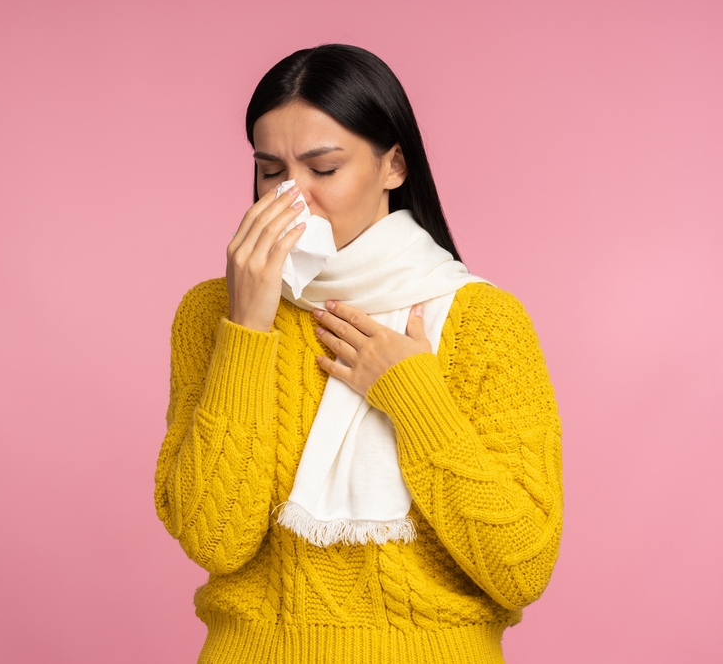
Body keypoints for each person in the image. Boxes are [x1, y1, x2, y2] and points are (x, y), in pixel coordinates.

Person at [154, 43, 563, 664]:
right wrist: (247, 328)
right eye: (271, 170)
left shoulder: (483, 322)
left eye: (323, 169)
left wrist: (414, 396)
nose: (292, 197)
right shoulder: (215, 312)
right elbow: (214, 539)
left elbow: (521, 568)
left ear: (394, 165)